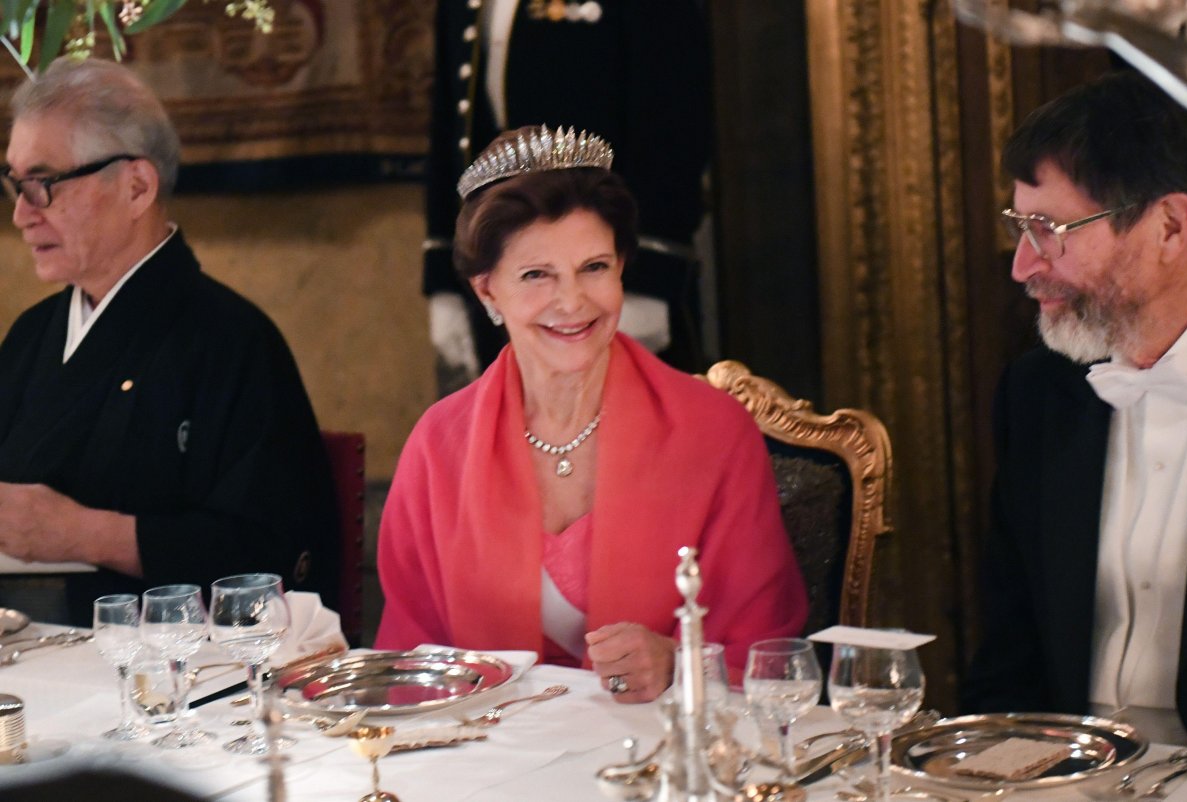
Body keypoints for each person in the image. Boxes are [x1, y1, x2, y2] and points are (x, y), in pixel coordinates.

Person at [376, 125, 806, 702]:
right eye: (536, 275)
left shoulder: (713, 432)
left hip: (659, 743)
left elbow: (768, 654)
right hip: (491, 748)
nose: (572, 301)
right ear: (487, 292)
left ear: (622, 267)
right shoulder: (438, 445)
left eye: (594, 267)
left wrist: (679, 664)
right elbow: (409, 659)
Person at [0, 58, 338, 626]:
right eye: (14, 183)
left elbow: (271, 556)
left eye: (43, 184)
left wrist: (84, 534)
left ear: (136, 187)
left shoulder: (231, 341)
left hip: (175, 660)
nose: (20, 214)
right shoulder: (31, 336)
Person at [962, 71, 1187, 745]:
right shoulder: (1040, 395)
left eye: (1048, 230)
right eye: (1020, 228)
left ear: (1170, 227)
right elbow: (1008, 660)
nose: (1022, 264)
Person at [424, 0, 710, 394]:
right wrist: (444, 277)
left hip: (610, 275)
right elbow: (448, 125)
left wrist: (649, 279)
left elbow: (674, 120)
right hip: (506, 279)